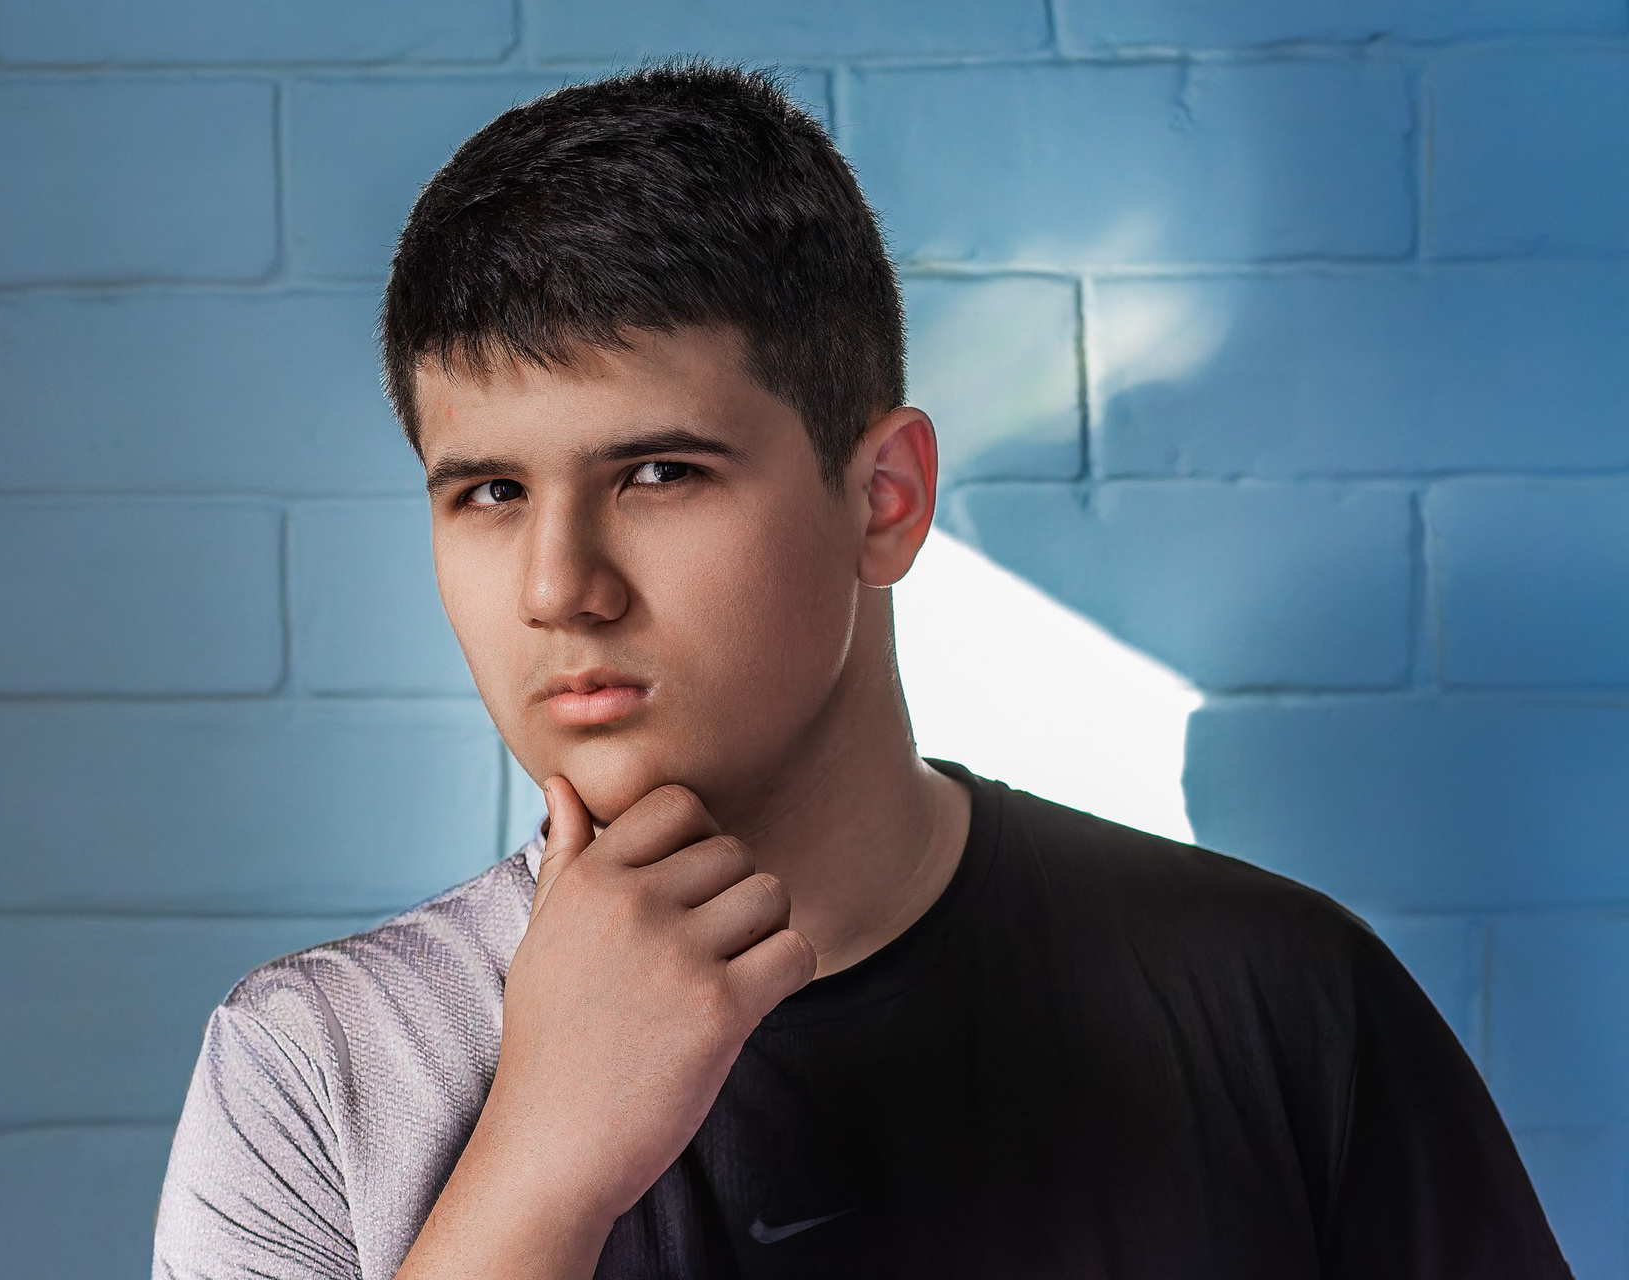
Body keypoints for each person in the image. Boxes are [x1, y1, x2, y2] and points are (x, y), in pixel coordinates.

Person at [152, 62, 1569, 1280]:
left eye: (658, 473)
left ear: (884, 498)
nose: (556, 587)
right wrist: (538, 1175)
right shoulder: (320, 1073)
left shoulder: (1284, 1003)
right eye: (489, 493)